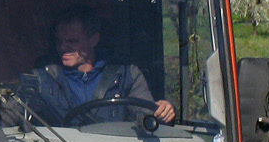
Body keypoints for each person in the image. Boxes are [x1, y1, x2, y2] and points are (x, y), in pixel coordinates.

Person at [19, 7, 175, 126]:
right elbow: (11, 114)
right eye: (59, 41)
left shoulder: (126, 76)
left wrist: (162, 111)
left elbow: (147, 116)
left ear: (93, 40)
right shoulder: (40, 79)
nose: (63, 47)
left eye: (72, 41)